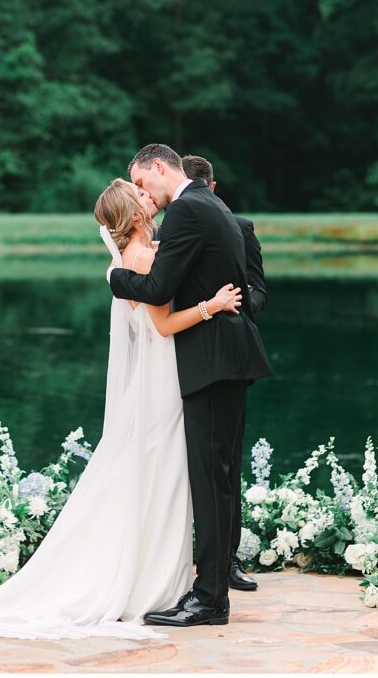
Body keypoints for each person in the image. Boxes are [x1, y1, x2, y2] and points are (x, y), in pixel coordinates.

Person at [0, 179, 242, 641]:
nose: (152, 199)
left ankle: (160, 577)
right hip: (164, 381)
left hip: (158, 382)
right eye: (142, 197)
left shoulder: (136, 258)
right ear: (136, 215)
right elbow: (163, 326)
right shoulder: (143, 260)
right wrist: (212, 305)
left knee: (154, 475)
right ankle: (153, 583)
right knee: (163, 475)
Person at [108, 144, 273, 627]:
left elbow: (158, 289)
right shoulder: (212, 204)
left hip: (213, 360)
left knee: (210, 481)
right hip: (227, 356)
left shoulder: (186, 210)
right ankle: (210, 590)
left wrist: (117, 278)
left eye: (141, 183)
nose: (143, 195)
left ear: (159, 167)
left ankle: (210, 600)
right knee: (218, 479)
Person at [181, 154, 266, 593]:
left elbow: (258, 286)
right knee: (203, 466)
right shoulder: (172, 230)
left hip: (230, 351)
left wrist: (236, 306)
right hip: (190, 355)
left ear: (211, 190)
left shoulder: (241, 227)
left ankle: (226, 561)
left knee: (225, 463)